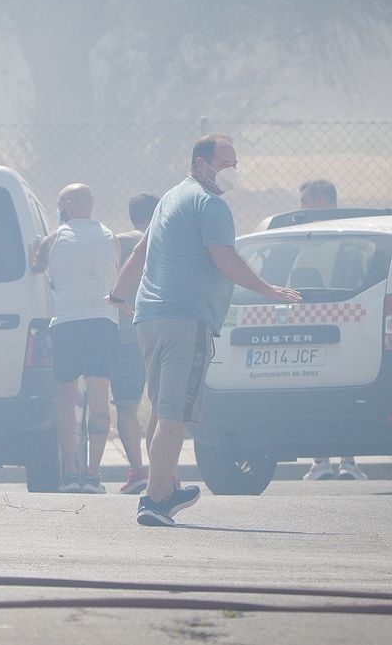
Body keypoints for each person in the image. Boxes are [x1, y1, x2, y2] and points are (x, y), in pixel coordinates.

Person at [109, 134, 301, 526]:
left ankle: (165, 489)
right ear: (200, 164)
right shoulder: (210, 204)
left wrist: (117, 294)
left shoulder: (170, 197)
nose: (232, 171)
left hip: (149, 318)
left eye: (235, 163)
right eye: (225, 163)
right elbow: (225, 258)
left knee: (161, 412)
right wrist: (267, 289)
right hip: (185, 319)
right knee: (174, 415)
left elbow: (139, 253)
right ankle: (152, 502)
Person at [30, 184, 118, 494]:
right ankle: (93, 474)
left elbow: (36, 266)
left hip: (67, 324)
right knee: (98, 401)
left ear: (67, 205)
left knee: (65, 400)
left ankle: (69, 471)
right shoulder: (109, 235)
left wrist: (36, 247)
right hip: (102, 323)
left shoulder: (54, 238)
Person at [298, 179, 367, 482]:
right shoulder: (355, 236)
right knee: (343, 399)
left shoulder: (313, 239)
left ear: (322, 203)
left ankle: (324, 461)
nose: (301, 208)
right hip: (348, 323)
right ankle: (345, 462)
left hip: (315, 323)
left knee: (317, 398)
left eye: (305, 202)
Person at [111, 192, 159, 494]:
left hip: (127, 336)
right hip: (162, 332)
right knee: (161, 405)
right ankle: (164, 472)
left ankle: (139, 471)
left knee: (127, 407)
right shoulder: (170, 237)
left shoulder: (120, 241)